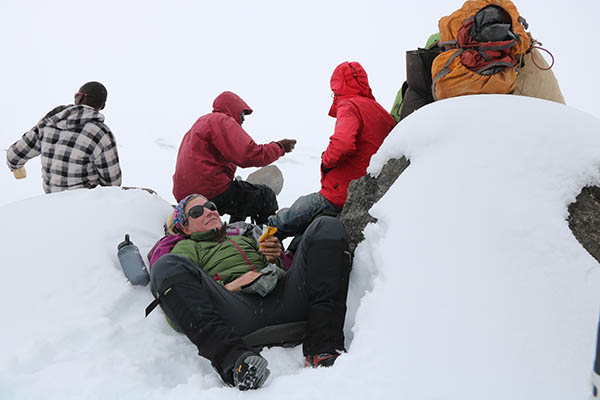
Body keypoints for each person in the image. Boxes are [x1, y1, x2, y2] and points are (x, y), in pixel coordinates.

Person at [146, 194, 351, 390]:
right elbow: (184, 298)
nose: (208, 211)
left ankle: (324, 346)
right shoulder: (187, 247)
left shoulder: (245, 238)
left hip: (285, 302)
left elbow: (286, 271)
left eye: (211, 207)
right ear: (185, 227)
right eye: (197, 211)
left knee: (326, 225)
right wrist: (233, 286)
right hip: (238, 312)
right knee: (166, 266)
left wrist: (274, 259)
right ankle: (236, 363)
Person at [268, 61, 396, 240]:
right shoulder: (381, 112)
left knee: (284, 221)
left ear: (338, 87)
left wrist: (326, 160)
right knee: (307, 232)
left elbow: (342, 145)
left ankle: (257, 242)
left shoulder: (349, 105)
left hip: (340, 192)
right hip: (367, 193)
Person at [172, 91, 296, 224]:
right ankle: (266, 240)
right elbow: (249, 155)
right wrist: (280, 147)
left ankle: (235, 232)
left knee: (241, 198)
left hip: (186, 196)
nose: (243, 119)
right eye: (242, 113)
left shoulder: (201, 123)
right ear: (233, 109)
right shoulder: (221, 120)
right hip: (210, 190)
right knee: (266, 196)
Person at [6, 81, 122, 193]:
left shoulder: (49, 123)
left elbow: (14, 156)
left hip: (52, 203)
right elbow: (112, 184)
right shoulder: (102, 134)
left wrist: (17, 169)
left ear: (80, 98)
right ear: (102, 106)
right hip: (86, 207)